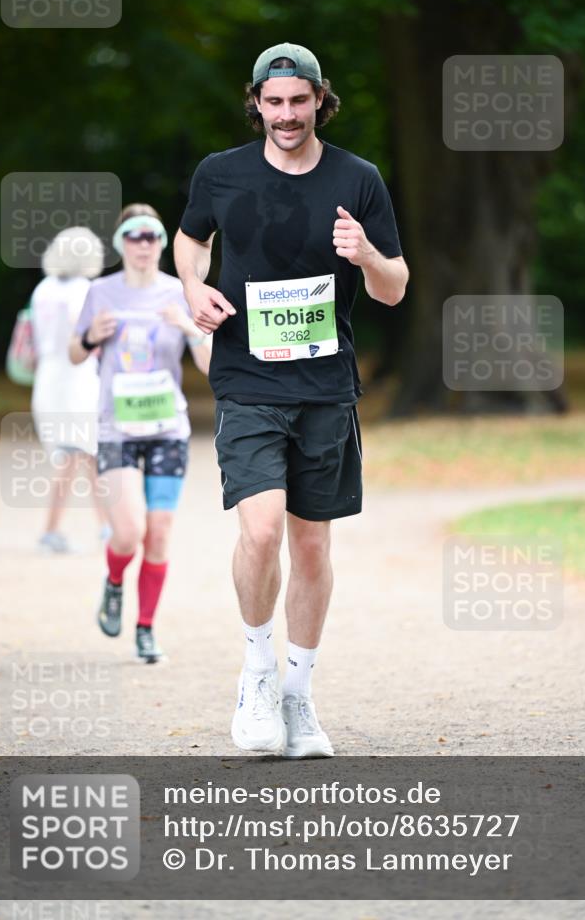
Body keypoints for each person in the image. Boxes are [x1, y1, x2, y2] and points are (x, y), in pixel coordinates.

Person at [174, 43, 408, 756]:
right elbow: (189, 243)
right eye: (272, 102)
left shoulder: (357, 179)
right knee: (262, 531)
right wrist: (193, 288)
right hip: (247, 380)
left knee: (311, 544)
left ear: (318, 100)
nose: (285, 114)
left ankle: (298, 695)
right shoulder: (219, 173)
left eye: (297, 101)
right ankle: (255, 672)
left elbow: (393, 286)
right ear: (256, 102)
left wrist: (364, 253)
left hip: (325, 386)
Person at [70, 203, 211, 662]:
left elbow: (210, 364)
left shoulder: (178, 291)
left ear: (163, 243)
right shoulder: (100, 292)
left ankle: (146, 628)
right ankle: (114, 582)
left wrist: (190, 327)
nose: (144, 243)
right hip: (118, 428)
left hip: (168, 426)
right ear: (121, 242)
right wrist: (91, 335)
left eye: (152, 235)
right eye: (135, 234)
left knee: (160, 531)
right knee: (128, 531)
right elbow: (74, 354)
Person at [31, 226, 105, 553]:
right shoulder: (84, 290)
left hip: (48, 377)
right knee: (77, 453)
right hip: (78, 377)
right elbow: (90, 339)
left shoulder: (42, 289)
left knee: (85, 454)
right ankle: (51, 530)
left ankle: (105, 524)